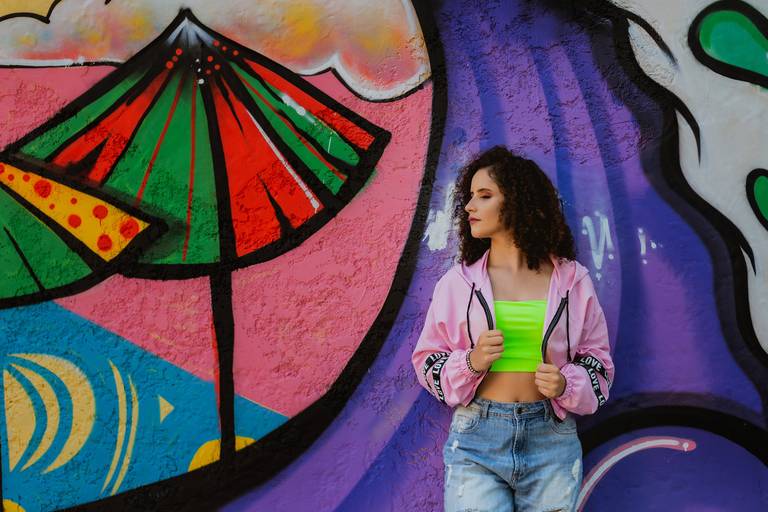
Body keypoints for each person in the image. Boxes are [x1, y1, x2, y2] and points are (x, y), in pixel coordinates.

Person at [411, 146, 614, 512]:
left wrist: (566, 384)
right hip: (477, 439)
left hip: (551, 440)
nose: (469, 206)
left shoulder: (572, 280)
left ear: (518, 202)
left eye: (484, 196)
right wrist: (471, 362)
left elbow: (599, 362)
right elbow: (426, 360)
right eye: (470, 196)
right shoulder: (459, 282)